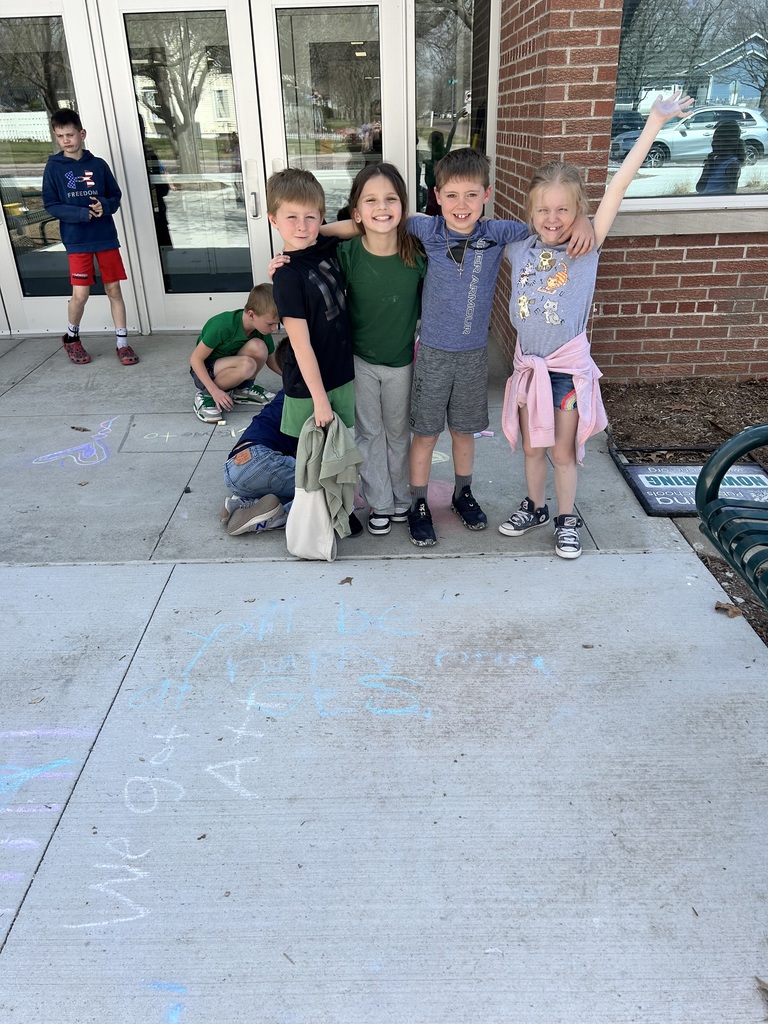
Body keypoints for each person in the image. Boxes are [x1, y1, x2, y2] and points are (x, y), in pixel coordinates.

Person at [499, 90, 693, 559]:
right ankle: (536, 506)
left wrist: (654, 122)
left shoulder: (586, 248)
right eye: (543, 209)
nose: (553, 218)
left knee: (562, 453)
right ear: (530, 211)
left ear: (578, 209)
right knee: (531, 449)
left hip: (565, 371)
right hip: (528, 368)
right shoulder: (518, 246)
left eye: (564, 209)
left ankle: (567, 519)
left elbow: (618, 187)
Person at [402, 148, 594, 547]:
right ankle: (418, 502)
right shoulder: (425, 229)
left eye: (471, 195)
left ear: (486, 194)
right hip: (434, 353)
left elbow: (548, 228)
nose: (462, 205)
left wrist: (587, 222)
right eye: (452, 195)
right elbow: (375, 222)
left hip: (473, 355)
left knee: (464, 431)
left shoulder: (499, 233)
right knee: (424, 433)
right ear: (437, 196)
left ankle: (462, 493)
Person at [270, 164, 426, 536]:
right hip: (359, 363)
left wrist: (310, 227)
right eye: (370, 200)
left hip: (401, 362)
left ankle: (402, 499)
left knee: (399, 432)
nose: (382, 207)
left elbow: (357, 223)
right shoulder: (339, 255)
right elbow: (330, 238)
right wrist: (294, 241)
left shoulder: (416, 253)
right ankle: (380, 503)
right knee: (368, 436)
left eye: (391, 200)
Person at [42, 108, 138, 366]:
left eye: (70, 134)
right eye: (60, 136)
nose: (66, 140)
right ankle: (71, 337)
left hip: (105, 236)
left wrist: (103, 207)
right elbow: (50, 204)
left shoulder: (98, 165)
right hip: (77, 240)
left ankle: (122, 343)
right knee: (81, 294)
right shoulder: (53, 168)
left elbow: (114, 196)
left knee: (114, 289)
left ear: (81, 134)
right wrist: (81, 213)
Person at [266, 167, 355, 438]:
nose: (302, 226)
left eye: (310, 217)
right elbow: (300, 344)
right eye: (291, 217)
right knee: (311, 467)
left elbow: (362, 224)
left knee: (340, 459)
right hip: (309, 388)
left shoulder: (323, 244)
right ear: (273, 220)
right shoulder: (286, 275)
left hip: (341, 373)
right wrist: (320, 400)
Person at [220, 342, 297, 536]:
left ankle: (245, 502)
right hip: (261, 460)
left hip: (234, 467)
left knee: (288, 479)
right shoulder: (305, 395)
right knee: (325, 484)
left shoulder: (285, 393)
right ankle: (279, 516)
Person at [189, 283, 279, 423]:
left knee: (259, 347)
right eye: (270, 324)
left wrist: (299, 380)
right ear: (251, 314)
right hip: (206, 371)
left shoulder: (260, 330)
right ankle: (205, 397)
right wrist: (214, 391)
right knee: (247, 364)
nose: (274, 328)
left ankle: (243, 391)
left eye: (276, 324)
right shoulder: (222, 325)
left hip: (232, 365)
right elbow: (195, 359)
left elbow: (273, 361)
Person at [696, 119, 745, 196]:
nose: (713, 144)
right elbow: (699, 188)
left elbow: (731, 193)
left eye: (717, 141)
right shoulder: (714, 161)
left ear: (728, 144)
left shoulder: (732, 164)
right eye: (713, 140)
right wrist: (707, 169)